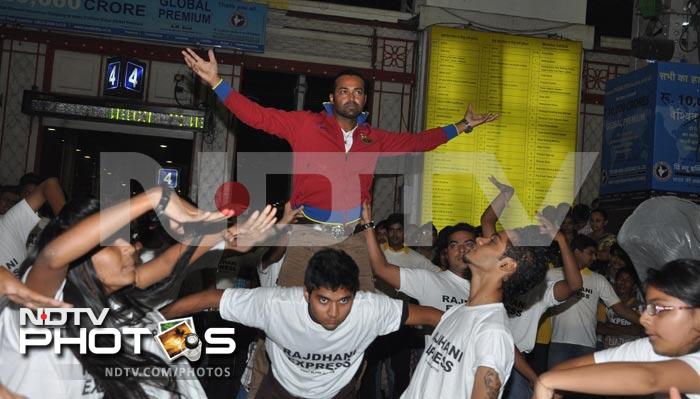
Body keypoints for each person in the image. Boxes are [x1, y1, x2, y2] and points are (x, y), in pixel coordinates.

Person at [0, 188, 275, 398]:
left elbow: (167, 264)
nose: (131, 248)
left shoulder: (114, 300)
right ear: (80, 256)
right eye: (113, 243)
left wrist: (223, 235)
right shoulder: (40, 307)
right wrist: (155, 197)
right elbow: (51, 257)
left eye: (127, 239)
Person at [161, 248, 443, 399]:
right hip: (282, 388)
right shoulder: (276, 305)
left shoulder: (371, 309)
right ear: (306, 292)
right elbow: (209, 298)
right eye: (323, 300)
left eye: (344, 301)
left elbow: (430, 315)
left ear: (355, 295)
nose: (334, 313)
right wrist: (154, 319)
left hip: (337, 393)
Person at [400, 225, 549, 399]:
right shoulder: (459, 311)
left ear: (507, 265)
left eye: (493, 241)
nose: (479, 240)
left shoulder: (493, 333)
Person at [534, 259, 700, 399]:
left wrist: (549, 381)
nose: (643, 318)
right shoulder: (651, 348)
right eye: (647, 308)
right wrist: (551, 379)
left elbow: (650, 378)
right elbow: (572, 368)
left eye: (659, 308)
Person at [547, 234, 640, 369]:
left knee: (581, 388)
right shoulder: (552, 275)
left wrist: (644, 321)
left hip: (586, 344)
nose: (594, 257)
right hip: (559, 341)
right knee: (555, 386)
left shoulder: (598, 280)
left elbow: (619, 307)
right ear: (577, 252)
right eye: (590, 253)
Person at [597, 266, 644, 349]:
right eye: (620, 278)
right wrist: (629, 330)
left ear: (634, 286)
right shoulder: (604, 303)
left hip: (631, 354)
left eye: (628, 280)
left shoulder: (640, 306)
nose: (623, 282)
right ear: (615, 282)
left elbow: (640, 330)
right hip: (608, 353)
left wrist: (612, 326)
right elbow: (599, 327)